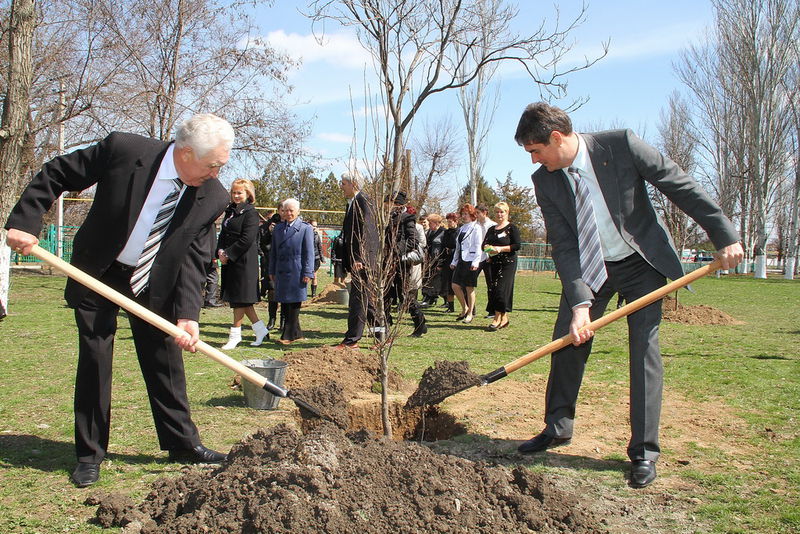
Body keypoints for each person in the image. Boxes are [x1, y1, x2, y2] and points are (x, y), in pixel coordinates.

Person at [513, 102, 744, 489]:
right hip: (590, 266)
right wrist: (580, 304)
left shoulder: (621, 146)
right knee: (567, 341)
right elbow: (566, 246)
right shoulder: (546, 181)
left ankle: (644, 452)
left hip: (641, 263)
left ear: (556, 138)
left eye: (536, 151)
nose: (535, 160)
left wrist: (724, 235)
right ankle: (557, 427)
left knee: (644, 350)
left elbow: (680, 186)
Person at [5, 113, 234, 488]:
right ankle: (89, 454)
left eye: (221, 165)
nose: (216, 173)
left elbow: (195, 256)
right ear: (186, 152)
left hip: (151, 281)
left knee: (165, 358)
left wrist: (188, 314)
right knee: (96, 357)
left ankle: (182, 443)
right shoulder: (124, 150)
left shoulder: (213, 195)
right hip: (98, 270)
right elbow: (57, 172)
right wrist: (26, 221)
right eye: (212, 165)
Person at [217, 179, 268, 349]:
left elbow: (247, 239)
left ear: (248, 194)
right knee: (241, 300)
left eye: (240, 193)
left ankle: (235, 335)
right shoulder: (230, 211)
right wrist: (220, 250)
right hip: (230, 261)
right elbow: (223, 233)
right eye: (234, 192)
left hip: (244, 262)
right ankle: (260, 330)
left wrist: (229, 253)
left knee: (240, 299)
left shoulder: (251, 213)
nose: (236, 196)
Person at [334, 171, 379, 350]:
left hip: (363, 260)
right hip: (357, 259)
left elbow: (366, 232)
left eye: (343, 183)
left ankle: (352, 340)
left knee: (358, 300)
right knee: (365, 300)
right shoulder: (353, 202)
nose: (341, 186)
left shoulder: (363, 201)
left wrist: (360, 257)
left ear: (353, 183)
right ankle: (382, 335)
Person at [269, 198, 315, 344]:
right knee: (284, 301)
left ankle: (288, 335)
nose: (288, 213)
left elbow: (309, 252)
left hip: (297, 269)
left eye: (291, 211)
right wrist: (272, 269)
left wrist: (308, 272)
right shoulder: (278, 228)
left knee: (294, 302)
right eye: (285, 210)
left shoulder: (305, 228)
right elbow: (273, 252)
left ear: (298, 212)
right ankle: (297, 333)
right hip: (281, 269)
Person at [384, 192, 427, 337]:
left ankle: (420, 323)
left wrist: (395, 251)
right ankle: (385, 324)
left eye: (390, 203)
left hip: (400, 263)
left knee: (404, 296)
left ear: (398, 205)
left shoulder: (407, 218)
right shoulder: (387, 217)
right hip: (387, 262)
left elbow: (413, 240)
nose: (387, 206)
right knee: (385, 294)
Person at [482, 202, 520, 331]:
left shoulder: (512, 228)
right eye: (497, 212)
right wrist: (489, 250)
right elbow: (484, 246)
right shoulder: (491, 229)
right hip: (494, 263)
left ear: (507, 213)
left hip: (508, 263)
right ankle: (504, 318)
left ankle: (496, 318)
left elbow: (516, 246)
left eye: (502, 212)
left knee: (501, 290)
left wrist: (500, 249)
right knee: (494, 290)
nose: (499, 214)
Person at [449, 204, 482, 323]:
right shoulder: (462, 228)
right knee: (455, 285)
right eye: (462, 214)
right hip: (461, 260)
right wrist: (454, 261)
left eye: (466, 214)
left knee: (469, 288)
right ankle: (465, 308)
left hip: (471, 260)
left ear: (472, 215)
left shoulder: (476, 228)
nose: (464, 216)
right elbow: (458, 247)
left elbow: (478, 246)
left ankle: (470, 313)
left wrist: (476, 262)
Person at [258, 211, 282, 330]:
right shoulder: (266, 227)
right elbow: (261, 244)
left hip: (285, 264)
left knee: (285, 294)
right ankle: (272, 319)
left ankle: (284, 321)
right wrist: (269, 232)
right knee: (272, 292)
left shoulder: (289, 226)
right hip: (270, 263)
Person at [420, 213, 445, 308]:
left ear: (436, 223)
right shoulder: (430, 232)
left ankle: (444, 300)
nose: (429, 225)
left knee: (438, 281)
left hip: (439, 259)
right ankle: (428, 298)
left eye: (431, 223)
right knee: (428, 278)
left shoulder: (443, 232)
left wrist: (441, 262)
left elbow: (444, 247)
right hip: (429, 259)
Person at [476, 204, 496, 318]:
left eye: (478, 213)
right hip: (477, 258)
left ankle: (492, 310)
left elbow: (492, 242)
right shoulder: (476, 225)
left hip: (489, 258)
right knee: (469, 282)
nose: (476, 215)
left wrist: (489, 254)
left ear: (484, 212)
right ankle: (469, 309)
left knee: (491, 284)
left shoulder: (492, 225)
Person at [439, 212, 459, 313]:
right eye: (448, 221)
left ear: (456, 221)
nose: (449, 223)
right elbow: (442, 246)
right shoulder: (446, 233)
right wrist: (441, 262)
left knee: (458, 285)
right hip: (447, 261)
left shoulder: (459, 232)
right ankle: (451, 307)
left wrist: (452, 251)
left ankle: (468, 308)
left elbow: (459, 247)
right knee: (448, 285)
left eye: (450, 221)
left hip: (456, 260)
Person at [310, 219, 323, 298]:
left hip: (316, 258)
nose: (315, 227)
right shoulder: (305, 234)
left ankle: (313, 293)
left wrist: (322, 258)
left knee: (314, 276)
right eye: (313, 226)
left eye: (316, 226)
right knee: (306, 275)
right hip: (307, 258)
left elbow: (320, 247)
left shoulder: (317, 235)